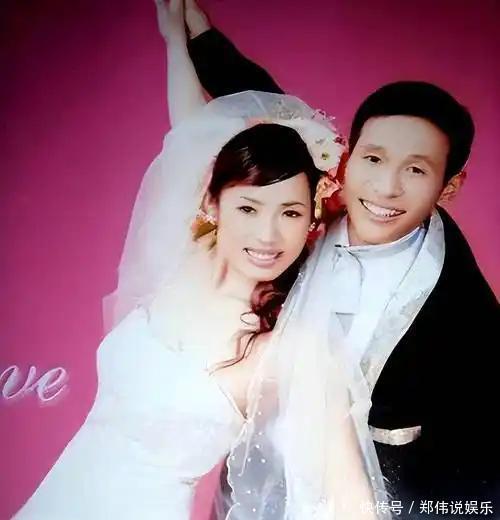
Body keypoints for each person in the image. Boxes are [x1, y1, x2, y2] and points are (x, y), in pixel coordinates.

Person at [12, 1, 390, 519]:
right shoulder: (183, 260)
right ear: (213, 204)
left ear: (312, 221)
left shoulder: (287, 346)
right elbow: (188, 134)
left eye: (290, 212)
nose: (268, 235)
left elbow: (349, 496)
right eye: (249, 208)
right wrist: (176, 39)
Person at [183, 1, 500, 516]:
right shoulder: (318, 191)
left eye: (416, 170)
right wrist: (197, 34)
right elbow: (265, 106)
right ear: (348, 152)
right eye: (373, 159)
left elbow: (481, 454)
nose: (385, 187)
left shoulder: (464, 307)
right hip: (254, 478)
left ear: (450, 186)